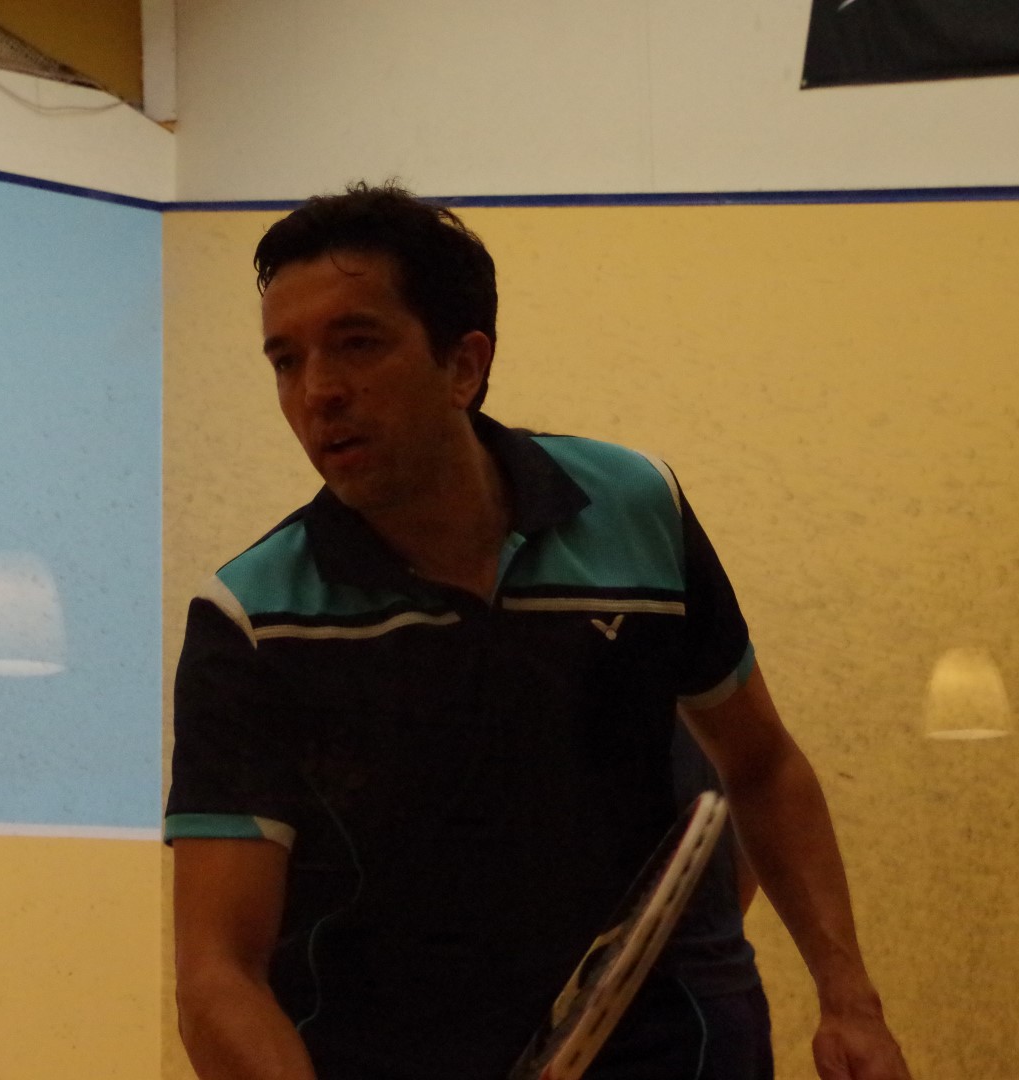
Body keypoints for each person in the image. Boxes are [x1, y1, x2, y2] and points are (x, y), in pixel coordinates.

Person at [165, 182, 911, 1080]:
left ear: (463, 364)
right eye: (285, 361)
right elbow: (217, 973)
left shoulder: (635, 508)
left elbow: (760, 768)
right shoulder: (251, 620)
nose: (318, 391)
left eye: (357, 344)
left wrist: (848, 1001)